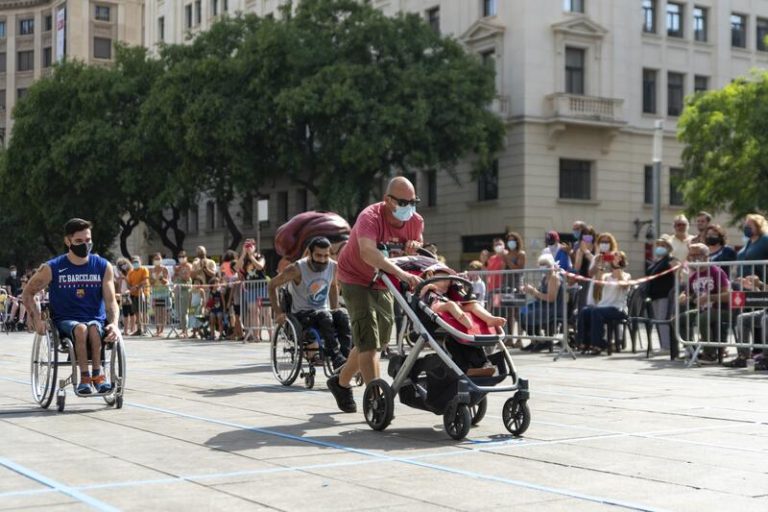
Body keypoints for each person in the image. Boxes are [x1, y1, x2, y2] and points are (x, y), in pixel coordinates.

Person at [327, 176, 423, 413]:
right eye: (403, 202)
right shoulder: (370, 217)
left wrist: (414, 243)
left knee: (376, 340)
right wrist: (401, 275)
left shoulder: (415, 220)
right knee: (368, 340)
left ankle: (340, 382)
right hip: (354, 277)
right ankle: (377, 398)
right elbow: (369, 253)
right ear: (388, 200)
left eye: (413, 201)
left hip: (383, 281)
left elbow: (419, 240)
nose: (409, 207)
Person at [21, 218, 119, 394]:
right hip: (66, 321)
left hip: (95, 319)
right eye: (79, 241)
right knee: (81, 329)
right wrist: (36, 319)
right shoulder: (53, 267)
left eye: (88, 240)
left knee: (95, 330)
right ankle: (84, 378)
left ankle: (98, 375)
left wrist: (114, 324)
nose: (85, 245)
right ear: (68, 241)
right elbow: (28, 292)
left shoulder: (103, 266)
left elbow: (111, 301)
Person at [269, 237, 350, 369]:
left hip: (324, 313)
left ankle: (346, 358)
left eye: (326, 255)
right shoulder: (297, 269)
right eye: (318, 255)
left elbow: (334, 286)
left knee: (343, 314)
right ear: (310, 253)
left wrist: (335, 309)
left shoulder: (333, 267)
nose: (323, 259)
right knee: (325, 316)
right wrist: (278, 312)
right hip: (302, 315)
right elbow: (272, 285)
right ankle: (336, 358)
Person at [680, 244, 731, 363]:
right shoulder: (694, 275)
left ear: (706, 256)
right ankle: (693, 351)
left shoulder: (716, 271)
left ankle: (710, 354)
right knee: (678, 320)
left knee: (702, 319)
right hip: (703, 310)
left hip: (720, 309)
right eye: (690, 255)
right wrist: (683, 296)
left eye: (696, 255)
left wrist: (709, 297)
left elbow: (728, 295)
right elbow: (687, 293)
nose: (692, 258)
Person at [575, 251, 631, 355]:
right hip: (603, 306)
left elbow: (624, 285)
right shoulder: (606, 276)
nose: (613, 258)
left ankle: (597, 344)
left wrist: (617, 266)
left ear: (621, 260)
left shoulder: (626, 275)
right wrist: (600, 264)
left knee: (596, 311)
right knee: (585, 311)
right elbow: (598, 285)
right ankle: (584, 342)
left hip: (617, 308)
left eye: (616, 256)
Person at [419, 269, 506, 330]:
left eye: (448, 280)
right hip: (434, 306)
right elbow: (418, 296)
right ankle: (466, 322)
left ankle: (489, 318)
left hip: (447, 305)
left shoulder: (445, 291)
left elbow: (452, 296)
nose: (447, 282)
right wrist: (427, 286)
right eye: (443, 278)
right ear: (431, 276)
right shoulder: (428, 288)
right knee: (451, 304)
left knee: (472, 304)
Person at [520, 253, 563, 351]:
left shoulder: (554, 277)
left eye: (545, 264)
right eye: (541, 264)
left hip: (552, 308)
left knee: (529, 314)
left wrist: (534, 291)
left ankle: (544, 342)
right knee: (523, 312)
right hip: (543, 305)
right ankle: (536, 340)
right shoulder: (545, 278)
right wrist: (530, 290)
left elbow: (551, 298)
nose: (542, 267)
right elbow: (540, 295)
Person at [646, 238, 677, 352]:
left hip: (665, 294)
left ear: (668, 247)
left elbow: (677, 273)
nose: (659, 247)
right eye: (658, 244)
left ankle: (667, 346)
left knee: (663, 320)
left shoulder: (671, 260)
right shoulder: (656, 261)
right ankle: (663, 344)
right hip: (655, 295)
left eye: (663, 245)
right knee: (658, 320)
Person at [239, 239, 270, 341]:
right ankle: (256, 336)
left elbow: (260, 266)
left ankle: (271, 335)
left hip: (262, 288)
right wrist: (243, 254)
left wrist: (251, 256)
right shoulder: (244, 259)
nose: (248, 248)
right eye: (246, 245)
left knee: (266, 312)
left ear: (255, 246)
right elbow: (236, 268)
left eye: (250, 245)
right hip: (251, 289)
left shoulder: (260, 256)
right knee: (253, 312)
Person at [127, 255, 149, 336]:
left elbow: (145, 280)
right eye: (134, 262)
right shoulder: (130, 272)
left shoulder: (144, 269)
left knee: (144, 312)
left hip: (143, 293)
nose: (135, 263)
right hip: (134, 294)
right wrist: (130, 288)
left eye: (137, 261)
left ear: (140, 262)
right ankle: (139, 329)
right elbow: (128, 283)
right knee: (136, 312)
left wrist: (136, 287)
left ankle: (145, 329)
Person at [149, 253, 170, 337]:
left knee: (163, 312)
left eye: (158, 259)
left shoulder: (164, 269)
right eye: (155, 259)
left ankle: (162, 330)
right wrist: (153, 280)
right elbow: (150, 282)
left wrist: (160, 278)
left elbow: (166, 281)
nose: (157, 260)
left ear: (161, 260)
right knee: (157, 312)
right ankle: (157, 330)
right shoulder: (151, 270)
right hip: (155, 293)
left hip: (163, 293)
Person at [174, 250, 193, 339]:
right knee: (180, 311)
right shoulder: (178, 267)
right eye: (179, 257)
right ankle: (182, 329)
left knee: (184, 311)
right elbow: (174, 278)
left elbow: (186, 277)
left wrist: (179, 271)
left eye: (183, 257)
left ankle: (185, 331)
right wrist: (175, 272)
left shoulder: (188, 266)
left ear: (186, 258)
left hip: (185, 290)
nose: (181, 258)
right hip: (178, 291)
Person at [114, 257, 133, 334]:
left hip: (129, 294)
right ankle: (125, 330)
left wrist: (125, 278)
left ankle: (132, 329)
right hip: (121, 294)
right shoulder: (119, 273)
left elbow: (130, 285)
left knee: (131, 312)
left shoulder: (130, 273)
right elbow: (118, 285)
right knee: (125, 313)